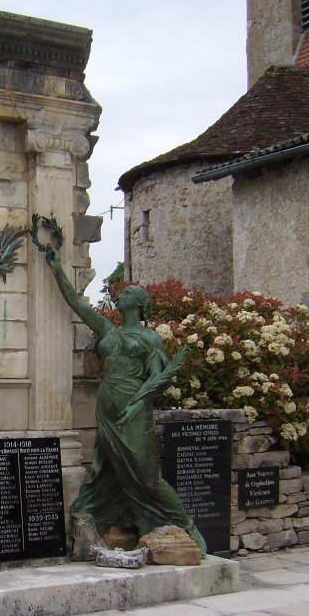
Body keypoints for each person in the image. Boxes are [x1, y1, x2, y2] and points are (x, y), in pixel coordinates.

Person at [30, 215, 207, 558]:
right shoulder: (110, 332)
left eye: (127, 293)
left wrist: (136, 406)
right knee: (107, 471)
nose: (120, 294)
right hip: (108, 410)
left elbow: (158, 380)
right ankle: (100, 523)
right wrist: (56, 267)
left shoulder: (149, 338)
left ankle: (187, 527)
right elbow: (76, 304)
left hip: (133, 411)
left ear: (139, 305)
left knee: (147, 475)